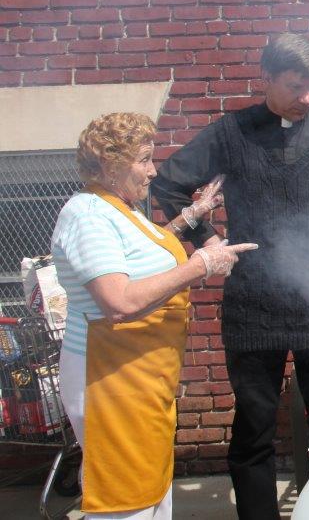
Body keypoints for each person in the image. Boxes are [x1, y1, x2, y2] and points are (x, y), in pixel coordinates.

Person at [151, 34, 309, 519]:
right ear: (265, 79)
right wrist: (207, 239)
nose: (307, 98)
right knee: (255, 424)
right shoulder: (231, 132)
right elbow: (168, 182)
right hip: (253, 303)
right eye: (295, 87)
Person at [52, 112, 254, 519]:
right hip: (109, 378)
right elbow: (119, 302)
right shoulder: (90, 217)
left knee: (148, 489)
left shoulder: (116, 208)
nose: (153, 170)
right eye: (144, 159)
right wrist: (202, 264)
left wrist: (193, 215)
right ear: (112, 166)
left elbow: (142, 253)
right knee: (125, 500)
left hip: (137, 375)